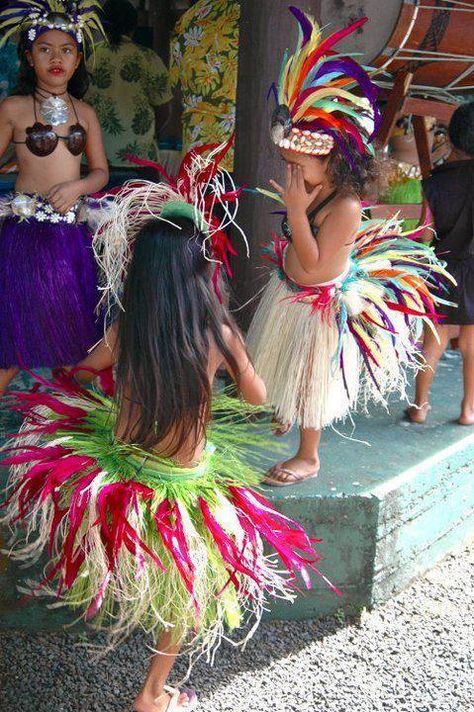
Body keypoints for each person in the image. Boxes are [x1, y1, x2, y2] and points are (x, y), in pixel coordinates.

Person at [1, 145, 337, 712]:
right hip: (181, 477)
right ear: (204, 269)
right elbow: (257, 396)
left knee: (139, 566)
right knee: (189, 586)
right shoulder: (217, 331)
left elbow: (84, 368)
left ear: (140, 272)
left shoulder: (127, 328)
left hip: (119, 468)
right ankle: (153, 692)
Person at [246, 7, 453, 486]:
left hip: (318, 305)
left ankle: (309, 453)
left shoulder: (346, 207)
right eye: (286, 162)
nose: (290, 173)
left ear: (334, 161)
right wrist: (298, 212)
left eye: (297, 164)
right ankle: (285, 409)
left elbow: (318, 270)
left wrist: (296, 212)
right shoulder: (316, 191)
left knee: (310, 377)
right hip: (291, 298)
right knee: (286, 370)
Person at [0, 0, 109, 398]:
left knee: (71, 341)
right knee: (13, 346)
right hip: (25, 238)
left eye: (66, 50)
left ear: (78, 60)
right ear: (29, 58)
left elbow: (100, 172)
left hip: (70, 241)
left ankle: (69, 439)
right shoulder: (12, 109)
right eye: (45, 49)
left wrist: (78, 187)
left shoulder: (86, 113)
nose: (56, 58)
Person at [407, 102, 474, 426]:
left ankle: (420, 405)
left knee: (435, 336)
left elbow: (425, 231)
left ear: (451, 138)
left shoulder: (434, 182)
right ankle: (468, 410)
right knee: (472, 341)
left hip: (443, 267)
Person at [87, 0, 172, 168]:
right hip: (139, 159)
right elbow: (164, 109)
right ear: (134, 25)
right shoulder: (148, 57)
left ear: (102, 26)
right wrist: (147, 135)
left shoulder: (88, 57)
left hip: (93, 159)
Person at [169, 0, 240, 172]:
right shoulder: (246, 16)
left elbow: (175, 85)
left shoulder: (187, 20)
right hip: (239, 148)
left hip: (196, 149)